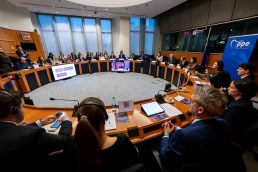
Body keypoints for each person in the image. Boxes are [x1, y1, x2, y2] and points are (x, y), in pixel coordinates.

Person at [158, 86, 245, 172]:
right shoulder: (224, 124)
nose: (188, 101)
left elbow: (166, 157)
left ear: (200, 110)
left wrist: (166, 134)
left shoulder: (182, 135)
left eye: (191, 101)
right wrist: (178, 129)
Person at [0, 89, 73, 172]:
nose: (23, 110)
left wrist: (40, 122)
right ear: (14, 110)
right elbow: (64, 140)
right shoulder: (33, 134)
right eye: (22, 106)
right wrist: (67, 121)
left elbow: (13, 131)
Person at [74, 97, 141, 172]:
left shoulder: (71, 144)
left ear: (79, 120)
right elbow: (135, 161)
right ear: (105, 118)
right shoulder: (121, 140)